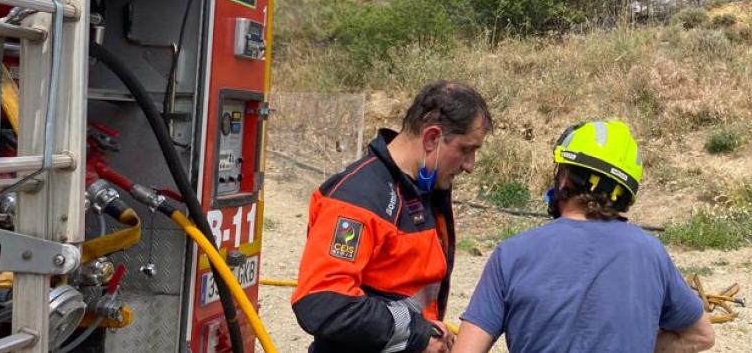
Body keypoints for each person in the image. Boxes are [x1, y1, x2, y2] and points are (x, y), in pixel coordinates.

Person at [453, 120, 715, 353]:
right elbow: (701, 336)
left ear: (564, 179)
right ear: (625, 194)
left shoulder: (512, 254)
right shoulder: (650, 253)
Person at [292, 81, 492, 353]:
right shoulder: (357, 199)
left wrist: (424, 333)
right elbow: (323, 303)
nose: (470, 166)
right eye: (466, 149)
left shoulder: (423, 190)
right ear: (432, 138)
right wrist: (417, 334)